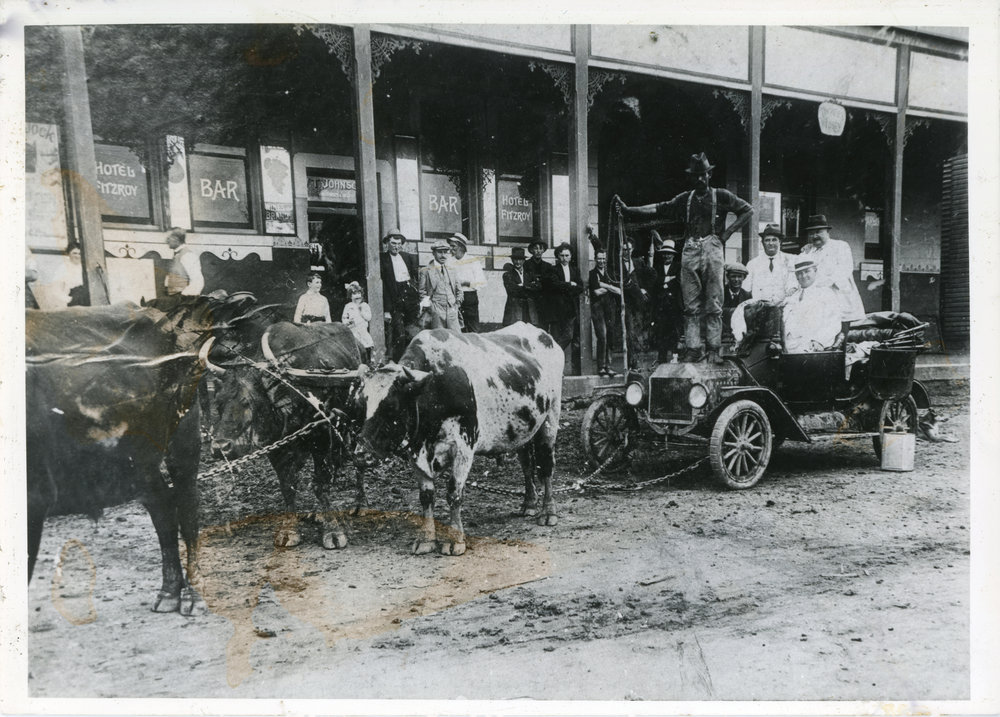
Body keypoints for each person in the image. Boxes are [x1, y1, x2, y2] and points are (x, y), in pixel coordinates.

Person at [616, 152, 753, 364]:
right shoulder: (684, 199)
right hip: (690, 249)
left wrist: (725, 235)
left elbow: (747, 210)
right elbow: (658, 208)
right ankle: (693, 348)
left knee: (714, 303)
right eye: (696, 176)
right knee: (690, 305)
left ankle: (714, 349)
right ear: (691, 177)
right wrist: (628, 210)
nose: (700, 179)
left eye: (703, 175)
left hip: (713, 248)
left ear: (709, 175)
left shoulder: (722, 196)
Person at [799, 214, 865, 329]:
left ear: (827, 232)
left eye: (818, 232)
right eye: (811, 233)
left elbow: (845, 269)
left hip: (838, 294)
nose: (815, 236)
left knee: (839, 332)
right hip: (816, 298)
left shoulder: (840, 246)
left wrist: (823, 285)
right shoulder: (808, 251)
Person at [783, 259, 843, 353]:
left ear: (815, 271)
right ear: (796, 276)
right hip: (788, 347)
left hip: (811, 347)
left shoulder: (826, 293)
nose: (803, 276)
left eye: (807, 271)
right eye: (799, 273)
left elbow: (834, 322)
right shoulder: (793, 296)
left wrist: (819, 341)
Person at [379, 229, 420, 360]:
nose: (396, 246)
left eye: (399, 243)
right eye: (393, 243)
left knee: (412, 332)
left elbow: (415, 278)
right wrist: (386, 309)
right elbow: (384, 285)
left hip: (409, 298)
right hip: (394, 298)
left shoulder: (408, 257)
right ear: (387, 243)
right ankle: (398, 361)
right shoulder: (383, 259)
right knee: (398, 334)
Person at [547, 242, 584, 359]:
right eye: (562, 255)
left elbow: (580, 287)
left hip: (570, 309)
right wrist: (569, 285)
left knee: (569, 336)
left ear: (571, 256)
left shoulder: (575, 270)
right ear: (558, 256)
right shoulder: (553, 270)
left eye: (567, 255)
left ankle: (553, 355)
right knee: (555, 336)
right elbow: (554, 285)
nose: (564, 258)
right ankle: (554, 361)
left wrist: (566, 287)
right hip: (557, 309)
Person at [589, 248, 623, 377]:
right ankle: (601, 366)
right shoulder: (592, 274)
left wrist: (604, 285)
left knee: (610, 336)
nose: (601, 261)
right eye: (599, 259)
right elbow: (596, 292)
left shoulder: (610, 274)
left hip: (610, 307)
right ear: (595, 259)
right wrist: (610, 288)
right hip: (598, 308)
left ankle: (609, 366)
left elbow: (619, 290)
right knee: (602, 336)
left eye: (603, 258)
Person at [745, 223, 797, 303]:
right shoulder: (752, 264)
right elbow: (746, 289)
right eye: (767, 240)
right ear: (762, 243)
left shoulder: (790, 260)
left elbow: (793, 285)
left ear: (780, 242)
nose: (771, 243)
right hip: (760, 309)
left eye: (774, 240)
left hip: (783, 307)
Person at [419, 238, 463, 331]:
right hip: (436, 311)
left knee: (456, 337)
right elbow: (422, 292)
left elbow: (459, 290)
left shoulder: (452, 270)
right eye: (440, 252)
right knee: (439, 338)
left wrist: (457, 304)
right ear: (433, 253)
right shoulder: (425, 271)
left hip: (452, 309)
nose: (443, 255)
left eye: (445, 252)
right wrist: (431, 308)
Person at [447, 232, 487, 333]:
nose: (450, 249)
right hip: (454, 298)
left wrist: (467, 283)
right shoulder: (449, 261)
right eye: (450, 246)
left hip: (469, 298)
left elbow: (482, 282)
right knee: (456, 329)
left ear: (461, 246)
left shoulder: (473, 261)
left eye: (453, 246)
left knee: (473, 329)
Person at [651, 238, 682, 363]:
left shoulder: (678, 266)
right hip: (661, 306)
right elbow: (654, 282)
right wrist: (669, 279)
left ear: (673, 255)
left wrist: (665, 280)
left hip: (674, 304)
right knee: (661, 331)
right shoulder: (657, 267)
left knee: (675, 331)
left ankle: (675, 356)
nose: (666, 256)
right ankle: (661, 358)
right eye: (664, 253)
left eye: (669, 254)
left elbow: (679, 281)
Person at [163, 227, 204, 296]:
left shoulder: (188, 255)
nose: (166, 241)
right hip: (174, 298)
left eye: (168, 239)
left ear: (176, 239)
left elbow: (198, 281)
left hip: (183, 300)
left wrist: (184, 296)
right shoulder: (177, 255)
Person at [502, 246, 536, 326]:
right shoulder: (507, 275)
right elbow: (511, 290)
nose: (517, 262)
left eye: (520, 259)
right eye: (515, 259)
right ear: (512, 260)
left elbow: (537, 287)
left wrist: (522, 286)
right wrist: (528, 287)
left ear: (524, 260)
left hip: (528, 308)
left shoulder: (530, 274)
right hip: (514, 308)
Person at [342, 281, 374, 362]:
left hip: (363, 331)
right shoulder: (348, 306)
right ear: (350, 296)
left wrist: (362, 311)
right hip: (353, 331)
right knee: (356, 350)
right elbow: (344, 318)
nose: (357, 296)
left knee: (366, 347)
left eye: (359, 293)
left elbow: (369, 317)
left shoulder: (365, 305)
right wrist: (348, 321)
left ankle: (367, 363)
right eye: (354, 294)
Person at [722, 262, 752, 345]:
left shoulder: (747, 296)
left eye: (739, 277)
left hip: (740, 337)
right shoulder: (720, 294)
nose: (736, 279)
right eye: (733, 276)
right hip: (722, 335)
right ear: (727, 277)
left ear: (744, 278)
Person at [524, 239, 551, 328]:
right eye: (536, 248)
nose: (538, 251)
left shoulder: (548, 266)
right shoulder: (526, 264)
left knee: (544, 325)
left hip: (544, 299)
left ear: (543, 250)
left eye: (541, 249)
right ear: (531, 250)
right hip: (530, 298)